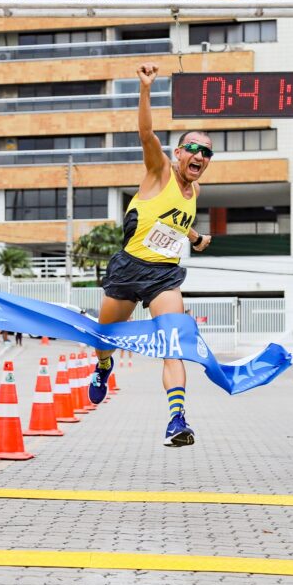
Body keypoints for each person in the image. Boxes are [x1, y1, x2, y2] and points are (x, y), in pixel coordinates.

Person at [89, 61, 213, 447]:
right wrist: (145, 89)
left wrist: (194, 237)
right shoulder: (160, 170)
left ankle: (177, 419)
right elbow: (146, 133)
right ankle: (103, 366)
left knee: (172, 342)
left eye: (207, 153)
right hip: (128, 268)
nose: (200, 156)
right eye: (193, 149)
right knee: (104, 336)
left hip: (163, 276)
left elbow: (173, 222)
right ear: (179, 153)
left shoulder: (196, 194)